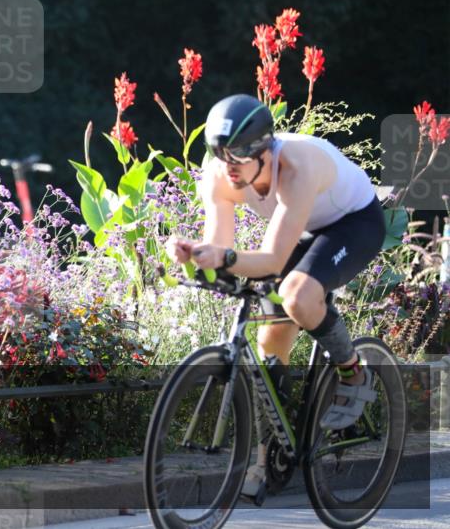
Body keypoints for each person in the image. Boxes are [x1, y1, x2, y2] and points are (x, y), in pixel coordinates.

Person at [165, 93, 386, 502]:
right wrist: (195, 255)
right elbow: (221, 250)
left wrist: (225, 258)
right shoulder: (219, 176)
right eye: (218, 154)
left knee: (297, 297)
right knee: (270, 338)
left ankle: (354, 372)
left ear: (264, 150)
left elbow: (271, 260)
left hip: (353, 224)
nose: (227, 166)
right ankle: (272, 456)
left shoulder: (296, 167)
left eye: (236, 155)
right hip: (301, 231)